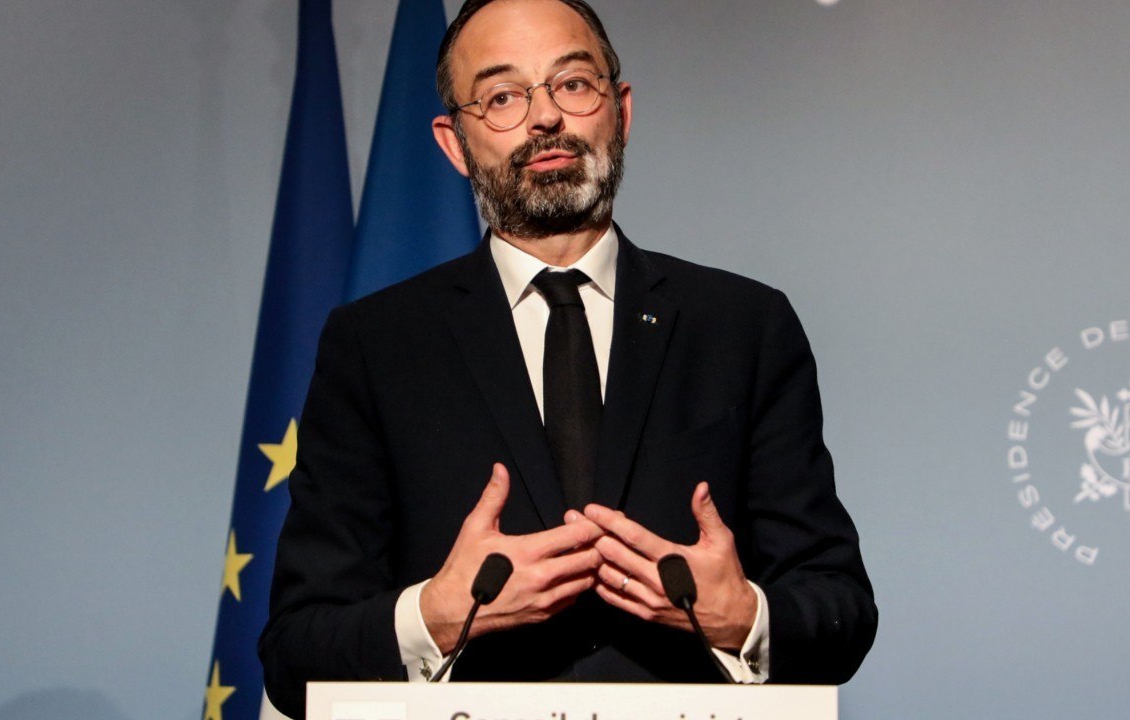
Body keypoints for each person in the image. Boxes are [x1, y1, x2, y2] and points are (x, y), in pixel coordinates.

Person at [260, 1, 877, 716]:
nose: (544, 117)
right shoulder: (374, 345)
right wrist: (431, 615)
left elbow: (842, 612)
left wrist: (744, 617)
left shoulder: (743, 327)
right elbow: (293, 652)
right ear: (454, 143)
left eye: (573, 84)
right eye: (501, 97)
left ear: (620, 109)